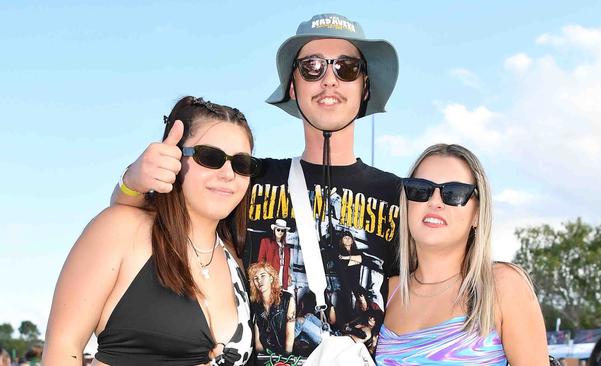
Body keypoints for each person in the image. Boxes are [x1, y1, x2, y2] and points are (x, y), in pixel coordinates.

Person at [111, 13, 401, 364]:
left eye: (347, 68)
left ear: (364, 86)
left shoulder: (400, 195)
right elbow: (140, 217)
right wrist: (133, 180)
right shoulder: (245, 174)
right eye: (311, 66)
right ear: (293, 85)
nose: (329, 80)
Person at [44, 96, 255, 366]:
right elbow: (63, 347)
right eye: (210, 157)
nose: (228, 174)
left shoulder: (237, 258)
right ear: (173, 159)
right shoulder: (120, 229)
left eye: (242, 164)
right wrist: (131, 180)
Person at [375, 143, 549, 366]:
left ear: (477, 213)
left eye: (453, 193)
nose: (435, 202)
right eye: (420, 189)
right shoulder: (386, 292)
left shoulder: (502, 286)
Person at [248, 262, 296, 356]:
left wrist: (285, 358)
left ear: (271, 278)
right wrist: (263, 359)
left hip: (285, 352)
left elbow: (290, 335)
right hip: (268, 354)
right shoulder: (256, 305)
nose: (259, 281)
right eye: (256, 278)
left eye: (263, 276)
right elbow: (258, 341)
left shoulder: (287, 299)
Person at [258, 219, 292, 289]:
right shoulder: (266, 242)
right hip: (271, 276)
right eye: (278, 229)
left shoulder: (287, 247)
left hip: (283, 277)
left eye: (282, 230)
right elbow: (260, 260)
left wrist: (289, 275)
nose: (280, 232)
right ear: (274, 230)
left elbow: (288, 265)